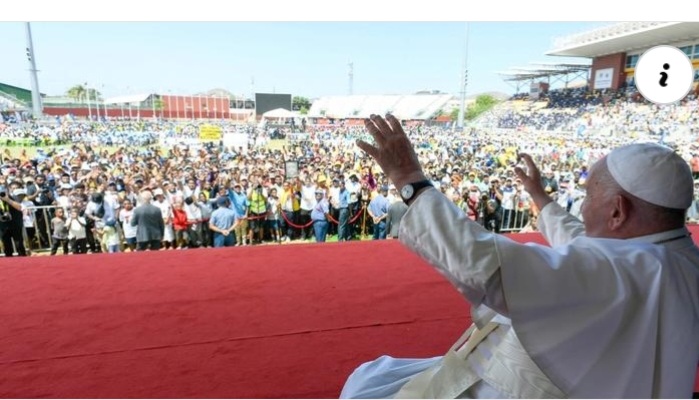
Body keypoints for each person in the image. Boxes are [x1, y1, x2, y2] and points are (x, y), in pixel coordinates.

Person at [340, 114, 699, 398]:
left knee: (368, 384)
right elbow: (578, 240)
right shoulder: (673, 255)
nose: (583, 206)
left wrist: (409, 179)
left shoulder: (619, 270)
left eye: (588, 196)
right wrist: (540, 198)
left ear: (618, 211)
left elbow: (484, 266)